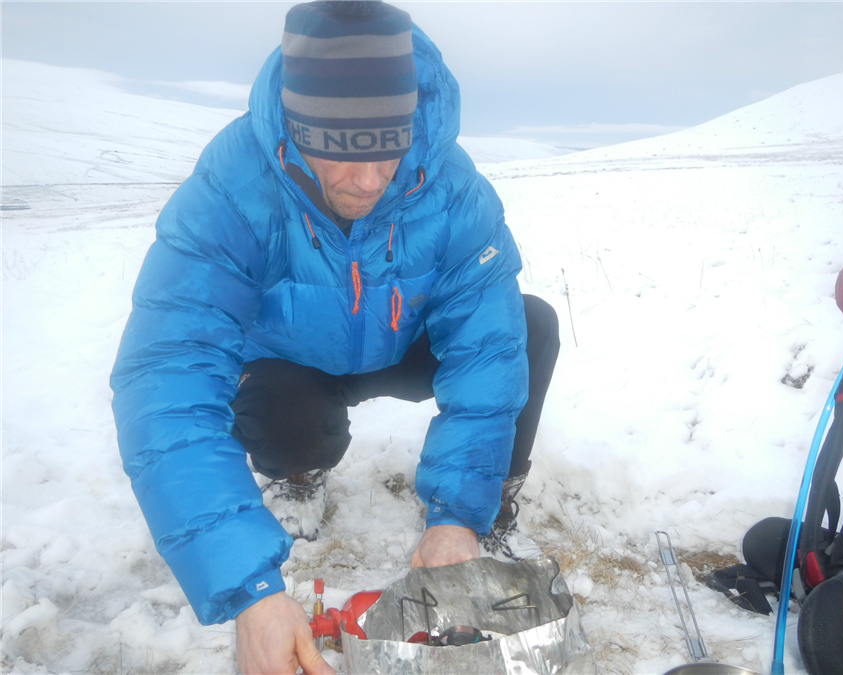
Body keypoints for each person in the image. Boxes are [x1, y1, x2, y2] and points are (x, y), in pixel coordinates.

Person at [110, 1, 560, 673]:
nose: (370, 181)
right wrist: (249, 590)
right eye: (343, 155)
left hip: (403, 342)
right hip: (295, 362)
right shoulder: (233, 187)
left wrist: (456, 514)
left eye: (389, 151)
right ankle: (299, 472)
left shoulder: (451, 185)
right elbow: (166, 376)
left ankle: (484, 510)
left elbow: (486, 349)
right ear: (296, 129)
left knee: (529, 324)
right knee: (278, 405)